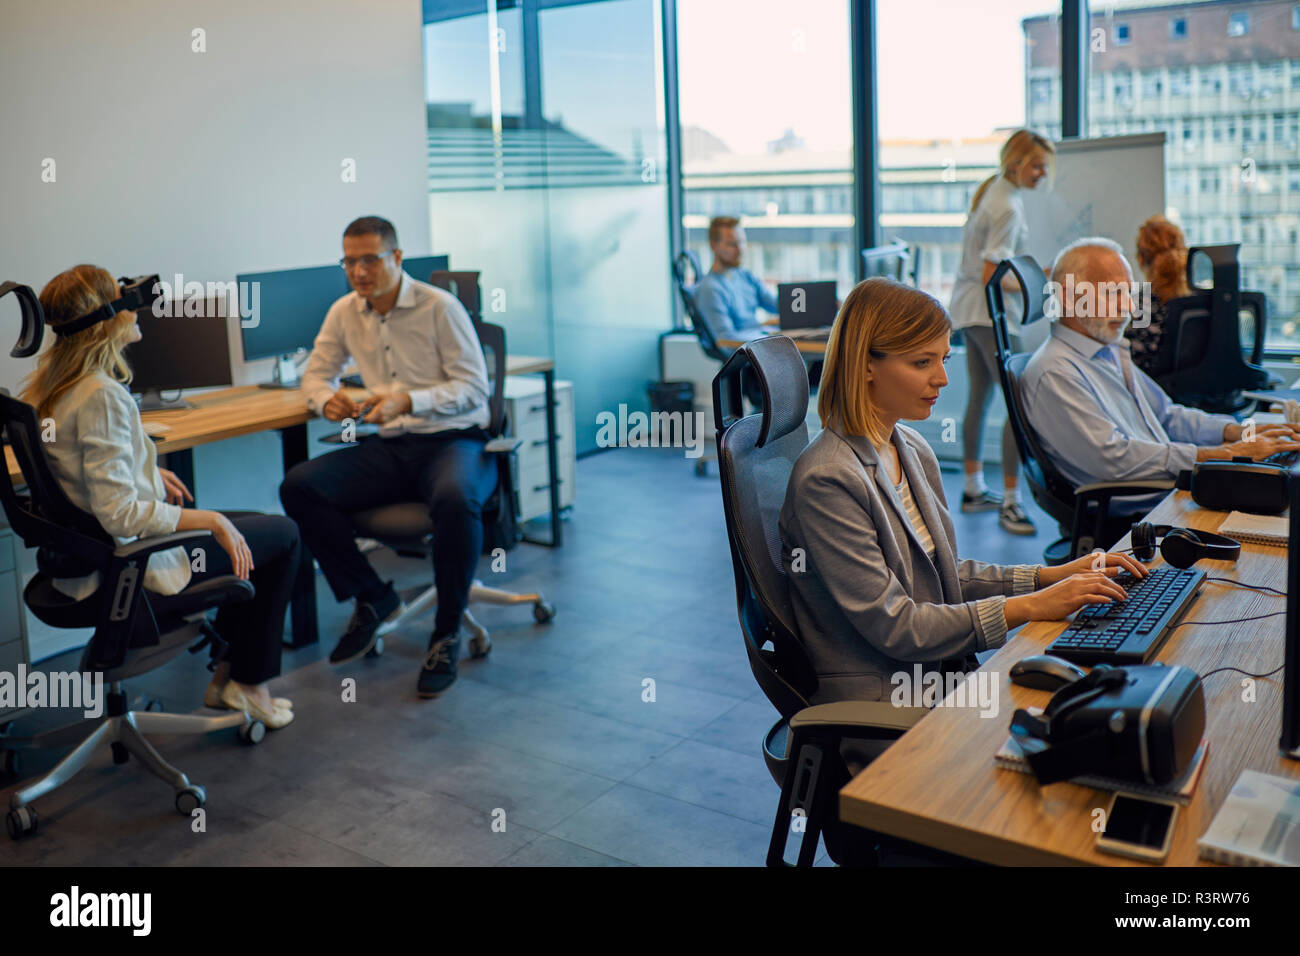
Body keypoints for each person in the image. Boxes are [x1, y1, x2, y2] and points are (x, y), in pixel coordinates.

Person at [779, 277, 1146, 707]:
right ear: (866, 364)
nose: (942, 379)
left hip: (942, 671)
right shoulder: (828, 479)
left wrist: (1050, 577)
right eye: (922, 363)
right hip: (887, 699)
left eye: (944, 359)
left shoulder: (910, 447)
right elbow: (898, 626)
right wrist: (1030, 606)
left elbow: (943, 574)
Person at [20, 265, 300, 728]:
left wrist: (144, 469)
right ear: (105, 318)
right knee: (283, 535)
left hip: (85, 559)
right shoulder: (101, 395)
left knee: (254, 522)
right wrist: (210, 520)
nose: (135, 305)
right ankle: (247, 685)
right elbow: (120, 513)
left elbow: (84, 475)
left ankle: (232, 677)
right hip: (129, 562)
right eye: (122, 298)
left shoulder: (53, 381)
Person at [279, 216, 495, 699]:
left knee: (456, 500)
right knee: (300, 485)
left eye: (370, 259)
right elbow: (315, 375)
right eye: (350, 261)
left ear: (397, 258)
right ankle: (374, 597)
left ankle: (446, 634)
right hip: (393, 446)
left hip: (451, 440)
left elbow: (474, 387)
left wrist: (408, 400)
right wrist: (324, 400)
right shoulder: (344, 312)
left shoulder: (440, 307)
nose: (359, 271)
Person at [1020, 237, 1300, 544]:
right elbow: (1113, 458)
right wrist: (1223, 455)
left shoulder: (1108, 350)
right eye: (1114, 294)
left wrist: (1242, 433)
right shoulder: (1054, 372)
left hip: (1169, 494)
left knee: (1285, 490)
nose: (1129, 307)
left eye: (1128, 293)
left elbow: (1167, 416)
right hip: (1143, 514)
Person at [948, 128, 1056, 536]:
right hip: (984, 311)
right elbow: (993, 274)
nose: (1042, 173)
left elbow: (989, 265)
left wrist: (1033, 271)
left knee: (980, 396)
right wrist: (1040, 281)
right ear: (1016, 163)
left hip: (968, 309)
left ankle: (974, 488)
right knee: (1017, 402)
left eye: (1045, 166)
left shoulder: (993, 190)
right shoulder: (1007, 205)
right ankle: (1012, 502)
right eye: (1037, 165)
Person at [692, 216, 778, 346]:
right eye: (732, 244)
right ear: (713, 245)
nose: (740, 250)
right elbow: (726, 341)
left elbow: (777, 305)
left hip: (759, 342)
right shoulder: (710, 289)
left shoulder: (745, 276)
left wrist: (805, 305)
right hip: (750, 353)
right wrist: (769, 341)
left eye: (742, 242)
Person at [1125, 215, 1192, 377]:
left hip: (1152, 395)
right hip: (1205, 394)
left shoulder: (1138, 304)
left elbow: (1128, 364)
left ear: (1141, 258)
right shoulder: (1200, 298)